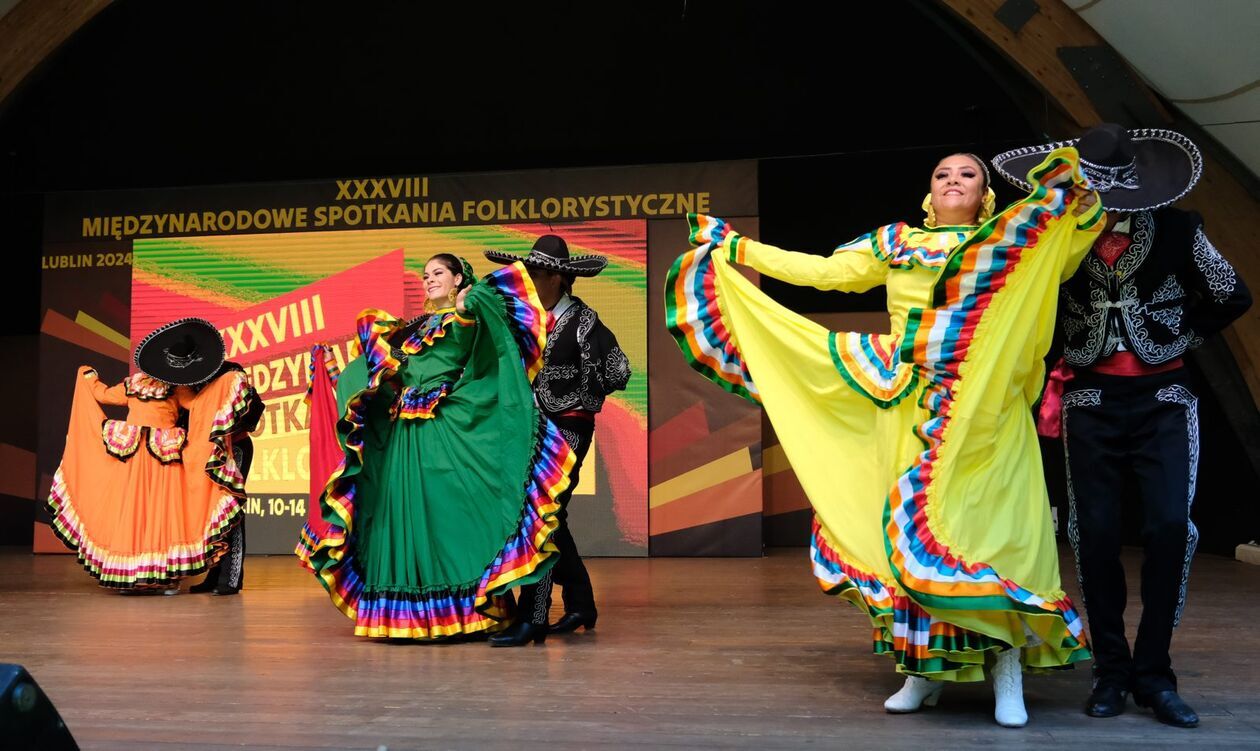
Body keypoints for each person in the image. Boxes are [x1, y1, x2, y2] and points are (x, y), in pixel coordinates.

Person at [666, 150, 1102, 726]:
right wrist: (737, 247)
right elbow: (822, 271)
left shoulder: (1014, 241)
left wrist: (1080, 200)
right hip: (911, 404)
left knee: (997, 536)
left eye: (966, 174)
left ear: (986, 194)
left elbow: (1069, 246)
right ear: (929, 192)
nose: (953, 180)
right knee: (909, 534)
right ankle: (921, 671)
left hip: (989, 410)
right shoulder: (897, 242)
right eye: (942, 174)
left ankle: (1007, 673)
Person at [994, 124, 1252, 728]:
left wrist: (1178, 336)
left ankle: (1154, 675)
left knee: (1170, 528)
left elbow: (1230, 293)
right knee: (1095, 534)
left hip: (1165, 396)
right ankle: (1111, 673)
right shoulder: (1056, 238)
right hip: (1090, 399)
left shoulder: (1180, 229)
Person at [296, 255, 575, 640]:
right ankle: (406, 617)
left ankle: (466, 612)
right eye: (425, 276)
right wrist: (335, 369)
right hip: (402, 438)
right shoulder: (415, 328)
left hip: (441, 429)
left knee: (447, 520)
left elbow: (496, 336)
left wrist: (469, 300)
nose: (429, 281)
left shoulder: (468, 310)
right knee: (402, 517)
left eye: (438, 274)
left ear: (458, 277)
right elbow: (382, 367)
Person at [482, 235, 631, 647]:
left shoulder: (586, 322)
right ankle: (581, 603)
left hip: (569, 427)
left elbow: (620, 371)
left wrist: (577, 388)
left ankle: (534, 616)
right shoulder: (527, 320)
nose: (528, 280)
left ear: (558, 277)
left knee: (542, 513)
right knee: (551, 516)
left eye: (535, 274)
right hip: (532, 429)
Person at [45, 318, 261, 592]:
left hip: (168, 455)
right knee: (138, 510)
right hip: (141, 456)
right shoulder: (142, 384)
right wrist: (88, 378)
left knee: (164, 511)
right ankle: (133, 574)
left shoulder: (189, 383)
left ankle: (176, 577)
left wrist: (225, 387)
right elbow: (105, 395)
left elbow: (198, 405)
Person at [188, 360, 265, 596]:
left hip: (236, 447)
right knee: (212, 511)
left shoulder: (231, 371)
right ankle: (213, 573)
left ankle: (231, 577)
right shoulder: (194, 380)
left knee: (230, 509)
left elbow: (252, 407)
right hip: (208, 452)